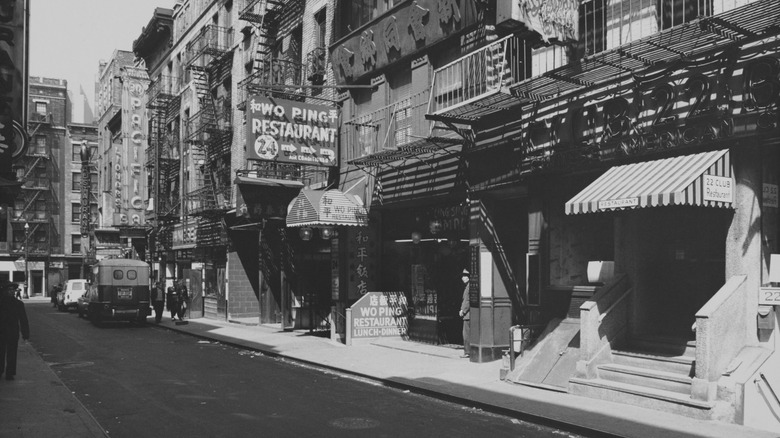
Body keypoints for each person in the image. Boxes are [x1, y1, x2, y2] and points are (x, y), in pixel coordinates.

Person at [0, 280, 30, 380]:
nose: (12, 291)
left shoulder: (18, 304)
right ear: (4, 291)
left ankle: (10, 372)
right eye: (9, 289)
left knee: (12, 353)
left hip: (12, 332)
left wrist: (26, 334)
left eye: (13, 289)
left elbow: (23, 319)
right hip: (1, 331)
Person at [458, 269, 471, 358]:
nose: (463, 278)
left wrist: (463, 310)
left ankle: (467, 352)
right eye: (462, 276)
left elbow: (467, 300)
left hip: (468, 315)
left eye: (464, 276)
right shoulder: (468, 286)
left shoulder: (469, 287)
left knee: (466, 333)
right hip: (469, 314)